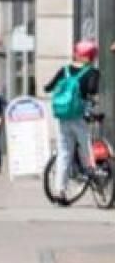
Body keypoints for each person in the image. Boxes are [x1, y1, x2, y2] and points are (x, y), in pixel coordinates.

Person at [45, 41, 101, 205]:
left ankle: (60, 192)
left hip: (63, 117)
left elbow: (48, 87)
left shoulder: (65, 70)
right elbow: (92, 91)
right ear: (91, 56)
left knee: (64, 153)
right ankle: (92, 172)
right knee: (86, 146)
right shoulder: (92, 72)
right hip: (80, 116)